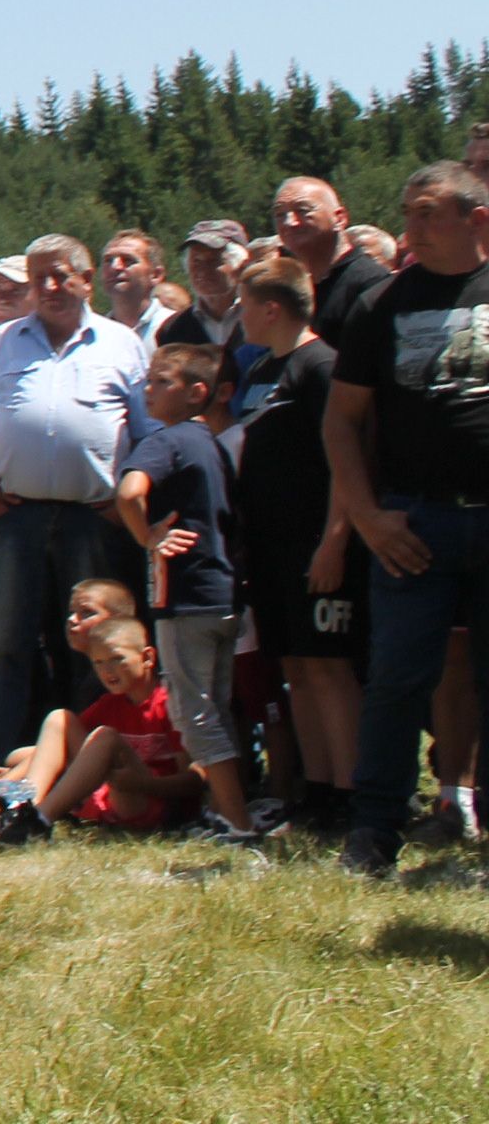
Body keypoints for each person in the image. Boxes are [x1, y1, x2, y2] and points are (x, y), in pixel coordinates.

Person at [328, 161, 489, 878]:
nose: (410, 228)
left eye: (427, 214)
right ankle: (373, 838)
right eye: (406, 213)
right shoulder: (384, 306)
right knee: (395, 683)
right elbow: (342, 421)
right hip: (412, 526)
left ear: (476, 219)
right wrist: (366, 516)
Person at [0, 235, 149, 766]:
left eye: (62, 275)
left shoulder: (122, 343)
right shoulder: (1, 343)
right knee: (10, 642)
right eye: (40, 277)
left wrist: (119, 504)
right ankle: (3, 756)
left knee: (95, 644)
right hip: (17, 517)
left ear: (87, 281)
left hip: (94, 520)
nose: (50, 287)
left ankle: (90, 756)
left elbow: (147, 429)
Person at [226, 254, 358, 830]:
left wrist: (334, 542)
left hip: (318, 547)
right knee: (297, 671)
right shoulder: (260, 372)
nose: (239, 315)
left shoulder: (321, 366)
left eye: (245, 304)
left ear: (272, 307)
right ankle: (318, 791)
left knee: (330, 669)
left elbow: (347, 465)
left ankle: (355, 794)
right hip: (272, 551)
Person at [114, 343, 261, 843]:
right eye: (148, 380)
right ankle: (225, 812)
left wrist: (146, 535)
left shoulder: (167, 441)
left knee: (193, 715)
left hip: (187, 597)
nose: (148, 390)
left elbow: (130, 492)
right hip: (222, 595)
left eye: (161, 381)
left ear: (197, 392)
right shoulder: (213, 444)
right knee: (216, 709)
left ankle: (239, 823)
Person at [0, 618, 200, 848]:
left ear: (147, 658)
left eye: (117, 659)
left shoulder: (169, 704)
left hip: (152, 803)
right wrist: (10, 776)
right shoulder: (110, 703)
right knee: (58, 720)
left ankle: (39, 821)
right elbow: (62, 747)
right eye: (98, 662)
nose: (107, 670)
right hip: (112, 797)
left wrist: (141, 784)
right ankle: (23, 810)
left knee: (105, 737)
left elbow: (195, 781)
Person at [275, 175, 393, 350]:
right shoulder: (293, 290)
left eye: (302, 210)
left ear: (340, 218)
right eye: (279, 214)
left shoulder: (372, 283)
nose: (289, 222)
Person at [161, 221, 253, 359]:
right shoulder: (172, 329)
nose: (203, 271)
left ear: (242, 266)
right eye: (196, 261)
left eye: (214, 260)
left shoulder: (265, 316)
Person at [98, 231, 173, 345]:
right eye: (108, 260)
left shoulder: (175, 327)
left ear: (155, 275)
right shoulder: (94, 333)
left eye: (128, 260)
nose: (115, 267)